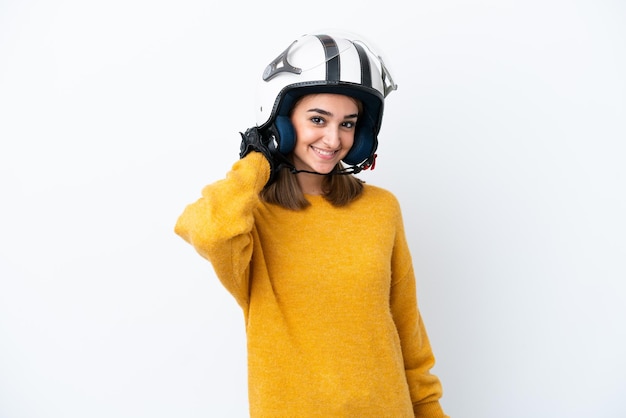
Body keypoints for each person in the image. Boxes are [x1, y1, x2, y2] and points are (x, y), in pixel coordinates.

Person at [174, 30, 449, 417]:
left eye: (349, 124)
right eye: (318, 119)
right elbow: (206, 230)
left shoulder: (381, 209)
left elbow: (408, 335)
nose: (334, 139)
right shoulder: (250, 219)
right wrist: (259, 157)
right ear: (282, 122)